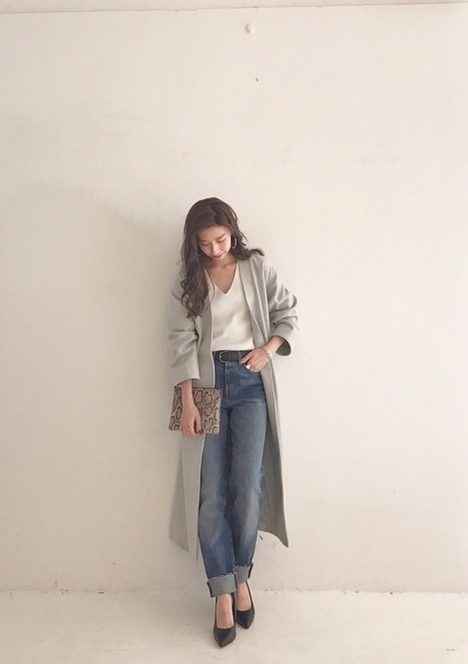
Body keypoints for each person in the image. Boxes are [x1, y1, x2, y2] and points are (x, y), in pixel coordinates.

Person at [167, 197, 298, 647]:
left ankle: (242, 577)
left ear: (232, 231)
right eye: (204, 243)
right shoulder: (189, 279)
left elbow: (288, 313)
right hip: (205, 387)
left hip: (250, 385)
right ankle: (222, 590)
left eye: (220, 240)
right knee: (210, 493)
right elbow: (180, 340)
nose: (214, 250)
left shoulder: (257, 269)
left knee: (248, 486)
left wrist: (268, 349)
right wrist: (187, 401)